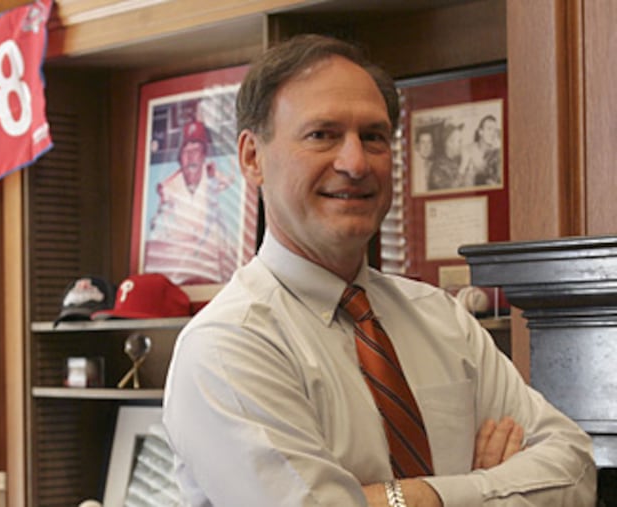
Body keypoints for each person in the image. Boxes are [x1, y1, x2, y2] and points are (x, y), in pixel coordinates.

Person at [163, 34, 596, 506]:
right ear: (251, 157)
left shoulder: (441, 318)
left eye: (373, 137)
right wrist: (489, 487)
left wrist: (413, 497)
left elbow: (575, 472)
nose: (354, 163)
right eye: (322, 134)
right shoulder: (228, 347)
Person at [144, 119, 238, 286]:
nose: (191, 157)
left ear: (204, 156)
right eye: (186, 152)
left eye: (196, 151)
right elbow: (156, 239)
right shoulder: (168, 190)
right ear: (180, 158)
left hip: (212, 274)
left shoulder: (213, 180)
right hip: (176, 274)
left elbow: (231, 180)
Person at [458, 114, 502, 187]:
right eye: (489, 129)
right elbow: (460, 179)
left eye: (495, 130)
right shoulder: (467, 150)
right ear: (480, 132)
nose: (493, 133)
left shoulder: (497, 152)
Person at [428, 122, 463, 191]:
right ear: (449, 143)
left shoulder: (459, 159)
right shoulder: (437, 167)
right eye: (459, 141)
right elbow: (450, 191)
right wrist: (463, 167)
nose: (461, 145)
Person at [411, 128, 434, 194]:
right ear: (417, 145)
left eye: (429, 142)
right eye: (423, 142)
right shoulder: (414, 166)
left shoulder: (430, 164)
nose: (426, 146)